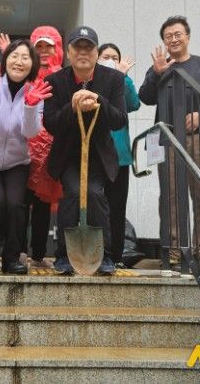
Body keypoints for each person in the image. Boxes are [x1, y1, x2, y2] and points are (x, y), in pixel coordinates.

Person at [137, 15, 200, 266]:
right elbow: (145, 97)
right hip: (166, 138)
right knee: (170, 196)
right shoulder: (160, 67)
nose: (174, 39)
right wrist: (155, 74)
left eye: (178, 34)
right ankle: (173, 250)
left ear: (188, 36)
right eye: (168, 36)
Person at [43, 26, 128, 276]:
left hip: (100, 155)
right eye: (77, 47)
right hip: (68, 154)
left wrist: (98, 99)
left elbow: (119, 120)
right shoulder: (55, 81)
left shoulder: (114, 79)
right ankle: (64, 255)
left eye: (88, 47)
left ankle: (105, 255)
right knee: (73, 192)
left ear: (96, 52)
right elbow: (50, 123)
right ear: (68, 52)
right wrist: (72, 107)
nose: (83, 52)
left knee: (94, 193)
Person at [0, 39, 51, 275]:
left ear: (32, 64)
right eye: (14, 56)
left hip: (17, 161)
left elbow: (30, 132)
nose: (19, 61)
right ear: (6, 60)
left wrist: (31, 106)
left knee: (16, 205)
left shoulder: (34, 92)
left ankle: (11, 259)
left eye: (25, 57)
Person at [0, 27, 64, 269]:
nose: (43, 51)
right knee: (19, 202)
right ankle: (18, 251)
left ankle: (39, 254)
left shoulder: (63, 76)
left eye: (49, 46)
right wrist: (8, 57)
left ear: (58, 48)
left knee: (43, 204)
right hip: (21, 146)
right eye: (39, 46)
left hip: (50, 149)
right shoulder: (24, 73)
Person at [97, 43, 142, 267]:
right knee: (96, 205)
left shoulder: (123, 80)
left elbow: (133, 104)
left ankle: (115, 257)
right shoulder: (93, 79)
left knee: (117, 207)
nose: (110, 60)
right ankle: (96, 253)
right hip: (96, 155)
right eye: (106, 56)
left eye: (115, 57)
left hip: (120, 156)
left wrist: (123, 78)